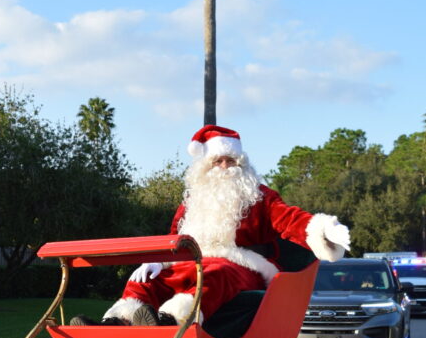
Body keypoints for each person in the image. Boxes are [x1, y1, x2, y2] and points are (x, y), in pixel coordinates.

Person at [73, 125, 350, 326]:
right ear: (206, 165)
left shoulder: (260, 196)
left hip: (242, 265)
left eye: (231, 161)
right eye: (218, 161)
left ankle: (172, 320)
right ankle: (117, 324)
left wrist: (323, 228)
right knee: (146, 279)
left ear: (242, 164)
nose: (225, 167)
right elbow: (175, 237)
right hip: (192, 260)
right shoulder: (193, 200)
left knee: (216, 273)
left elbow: (289, 219)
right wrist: (158, 260)